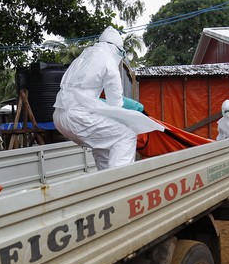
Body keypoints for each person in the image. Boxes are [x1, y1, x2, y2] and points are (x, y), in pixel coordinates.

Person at [53, 26, 163, 170]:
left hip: (59, 115)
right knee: (126, 136)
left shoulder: (83, 57)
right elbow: (115, 105)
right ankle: (119, 185)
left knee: (105, 141)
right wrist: (132, 112)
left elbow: (78, 92)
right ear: (118, 50)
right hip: (77, 117)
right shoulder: (108, 60)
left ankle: (105, 181)